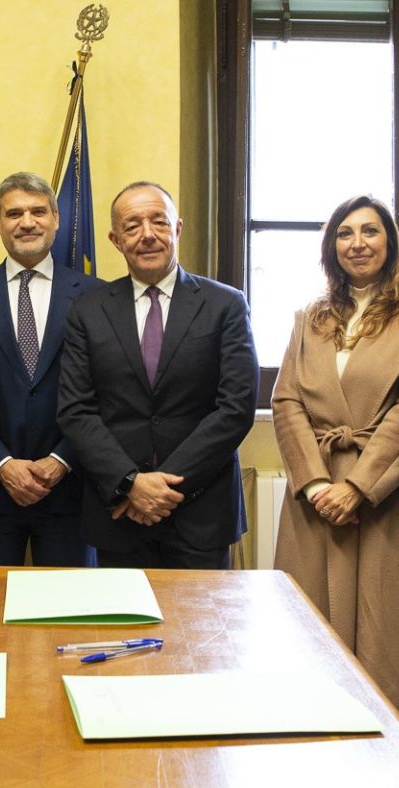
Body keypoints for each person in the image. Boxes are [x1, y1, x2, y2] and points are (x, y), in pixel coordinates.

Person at [57, 181, 258, 569]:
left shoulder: (225, 305)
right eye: (132, 226)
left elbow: (235, 408)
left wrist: (160, 486)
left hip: (201, 513)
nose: (147, 235)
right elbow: (76, 410)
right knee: (122, 612)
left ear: (177, 229)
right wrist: (130, 484)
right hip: (119, 514)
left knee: (200, 614)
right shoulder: (87, 311)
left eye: (159, 222)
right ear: (116, 240)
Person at [273, 195, 399, 725]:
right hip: (314, 498)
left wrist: (356, 487)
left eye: (370, 231)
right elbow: (286, 401)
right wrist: (315, 485)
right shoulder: (310, 319)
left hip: (385, 494)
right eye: (344, 233)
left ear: (391, 243)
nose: (357, 243)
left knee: (385, 631)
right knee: (308, 625)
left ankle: (385, 742)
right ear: (332, 247)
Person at [0, 172, 103, 566]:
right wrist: (1, 464)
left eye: (38, 211)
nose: (27, 222)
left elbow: (106, 390)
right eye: (14, 213)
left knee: (68, 601)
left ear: (56, 218)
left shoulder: (96, 296)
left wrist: (62, 460)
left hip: (70, 490)